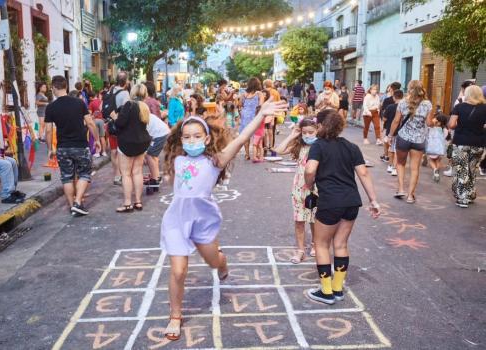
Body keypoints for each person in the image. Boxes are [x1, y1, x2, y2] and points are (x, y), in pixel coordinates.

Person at [160, 98, 288, 340]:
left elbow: (240, 139)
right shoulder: (176, 160)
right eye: (186, 137)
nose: (191, 141)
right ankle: (175, 315)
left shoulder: (215, 161)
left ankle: (223, 263)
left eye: (197, 136)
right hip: (177, 221)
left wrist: (261, 115)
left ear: (207, 139)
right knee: (178, 271)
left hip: (203, 220)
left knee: (213, 261)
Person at [304, 110, 380, 305]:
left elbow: (310, 169)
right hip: (351, 201)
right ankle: (337, 288)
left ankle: (326, 291)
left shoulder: (318, 146)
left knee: (321, 244)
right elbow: (363, 174)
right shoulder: (351, 147)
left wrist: (309, 184)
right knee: (341, 244)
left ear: (320, 125)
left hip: (330, 201)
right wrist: (373, 200)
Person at [45, 75, 100, 216]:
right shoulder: (79, 103)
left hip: (63, 147)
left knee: (67, 177)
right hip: (80, 145)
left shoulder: (50, 107)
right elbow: (90, 123)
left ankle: (72, 207)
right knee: (84, 174)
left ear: (53, 88)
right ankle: (77, 203)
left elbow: (49, 130)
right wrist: (97, 139)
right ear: (66, 86)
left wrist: (50, 148)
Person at [274, 118, 318, 263]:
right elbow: (278, 150)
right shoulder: (299, 145)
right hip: (299, 187)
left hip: (316, 189)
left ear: (318, 130)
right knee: (299, 221)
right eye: (304, 132)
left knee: (314, 220)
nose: (307, 135)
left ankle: (315, 245)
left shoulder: (321, 146)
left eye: (311, 132)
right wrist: (292, 135)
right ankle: (300, 250)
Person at [387, 80, 433, 204]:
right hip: (418, 140)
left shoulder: (402, 102)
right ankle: (410, 196)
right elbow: (429, 123)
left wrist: (390, 135)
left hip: (403, 138)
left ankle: (401, 189)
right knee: (414, 168)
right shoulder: (427, 104)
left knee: (400, 164)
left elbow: (396, 121)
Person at [110, 84, 151, 213]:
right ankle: (138, 202)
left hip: (127, 143)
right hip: (142, 142)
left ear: (132, 93)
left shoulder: (129, 105)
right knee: (137, 172)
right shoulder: (145, 107)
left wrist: (114, 117)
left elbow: (120, 123)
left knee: (126, 174)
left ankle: (127, 203)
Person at [448, 85, 486, 208]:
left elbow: (451, 124)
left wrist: (461, 124)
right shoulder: (484, 108)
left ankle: (463, 198)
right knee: (472, 169)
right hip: (478, 143)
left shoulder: (459, 107)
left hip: (461, 142)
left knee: (462, 169)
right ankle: (469, 193)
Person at [110, 72, 131, 186]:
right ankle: (124, 175)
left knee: (113, 151)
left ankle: (116, 176)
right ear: (126, 81)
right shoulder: (125, 93)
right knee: (122, 151)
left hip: (110, 124)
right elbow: (126, 110)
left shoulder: (110, 90)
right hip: (121, 125)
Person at [239, 77, 264, 160]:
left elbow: (240, 105)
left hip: (245, 115)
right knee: (256, 135)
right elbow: (260, 106)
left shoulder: (244, 94)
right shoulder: (259, 94)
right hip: (255, 115)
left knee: (246, 135)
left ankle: (247, 154)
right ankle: (257, 153)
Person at [145, 112, 170, 192]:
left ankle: (154, 179)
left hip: (160, 134)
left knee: (149, 155)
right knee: (153, 156)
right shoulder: (144, 113)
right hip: (162, 132)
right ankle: (156, 176)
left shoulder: (141, 117)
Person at [383, 89, 404, 176]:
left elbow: (384, 119)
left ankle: (390, 166)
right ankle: (395, 168)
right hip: (401, 132)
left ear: (394, 97)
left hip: (390, 131)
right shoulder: (404, 107)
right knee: (397, 151)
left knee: (391, 150)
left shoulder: (390, 107)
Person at [426, 112, 448, 182]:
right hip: (440, 149)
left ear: (438, 122)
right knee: (438, 160)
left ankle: (435, 170)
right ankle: (437, 172)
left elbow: (428, 124)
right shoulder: (444, 130)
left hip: (432, 148)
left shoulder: (432, 128)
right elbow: (445, 137)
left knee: (431, 160)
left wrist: (433, 121)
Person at [88, 91, 107, 158]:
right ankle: (104, 152)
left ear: (91, 97)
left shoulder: (91, 103)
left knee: (97, 138)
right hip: (102, 121)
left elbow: (89, 114)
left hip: (95, 121)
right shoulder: (101, 101)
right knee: (102, 137)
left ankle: (97, 152)